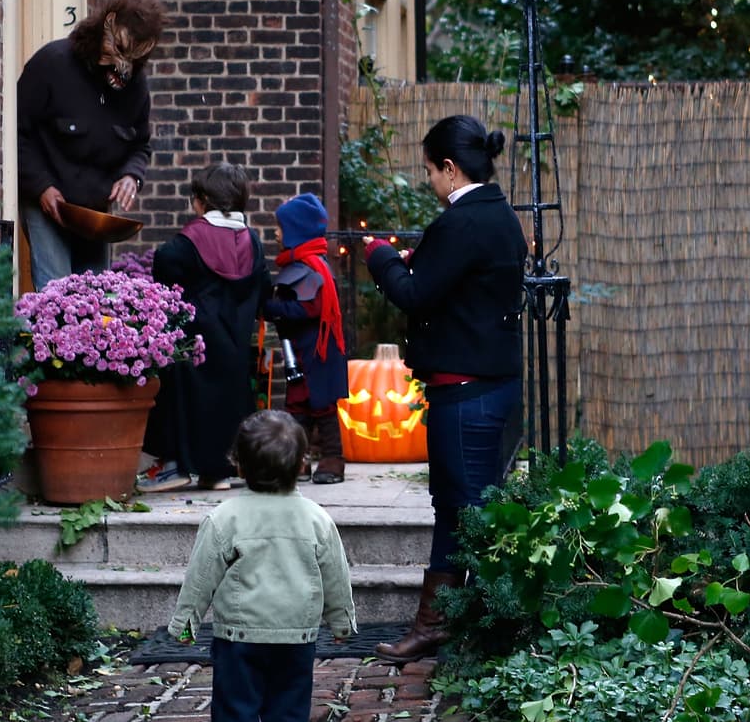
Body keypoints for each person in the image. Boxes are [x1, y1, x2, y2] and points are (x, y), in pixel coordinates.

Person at [362, 114, 527, 663]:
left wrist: (380, 256)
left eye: (431, 171)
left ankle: (447, 626)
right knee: (463, 508)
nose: (429, 181)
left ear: (451, 169)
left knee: (465, 511)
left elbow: (413, 295)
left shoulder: (461, 222)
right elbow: (455, 283)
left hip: (467, 396)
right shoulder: (499, 215)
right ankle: (454, 621)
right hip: (491, 386)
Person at [168, 409, 356, 722]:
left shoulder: (224, 518)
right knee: (289, 710)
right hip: (296, 639)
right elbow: (335, 575)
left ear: (239, 466)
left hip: (238, 638)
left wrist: (186, 621)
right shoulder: (317, 519)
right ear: (301, 465)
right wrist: (341, 622)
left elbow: (201, 576)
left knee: (235, 710)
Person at [17, 0, 166, 289]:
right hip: (48, 201)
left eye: (134, 59)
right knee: (55, 294)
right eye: (120, 52)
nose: (123, 68)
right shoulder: (52, 64)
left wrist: (130, 176)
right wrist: (41, 186)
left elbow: (141, 145)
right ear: (106, 27)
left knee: (95, 299)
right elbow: (17, 131)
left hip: (95, 213)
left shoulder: (136, 87)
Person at [139, 162, 271, 492]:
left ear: (201, 200)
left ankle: (177, 465)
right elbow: (263, 290)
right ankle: (218, 472)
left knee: (178, 400)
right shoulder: (252, 243)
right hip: (235, 346)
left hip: (193, 346)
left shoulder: (189, 242)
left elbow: (164, 267)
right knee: (227, 405)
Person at [263, 193, 349, 484]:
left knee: (322, 406)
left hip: (317, 352)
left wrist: (272, 308)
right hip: (299, 351)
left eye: (281, 227)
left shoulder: (313, 268)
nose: (275, 233)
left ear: (296, 231)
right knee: (297, 406)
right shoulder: (297, 265)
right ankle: (297, 459)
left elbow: (308, 307)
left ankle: (333, 459)